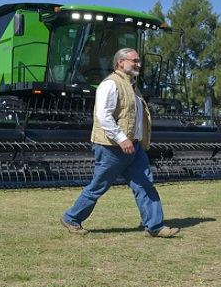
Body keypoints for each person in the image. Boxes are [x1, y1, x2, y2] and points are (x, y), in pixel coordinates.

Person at [60, 48, 180, 238]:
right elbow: (103, 116)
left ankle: (155, 226)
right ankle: (71, 218)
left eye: (139, 61)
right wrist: (122, 139)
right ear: (120, 63)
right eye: (135, 60)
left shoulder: (132, 86)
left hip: (134, 146)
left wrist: (135, 141)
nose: (139, 64)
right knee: (98, 186)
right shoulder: (110, 84)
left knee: (145, 185)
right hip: (112, 148)